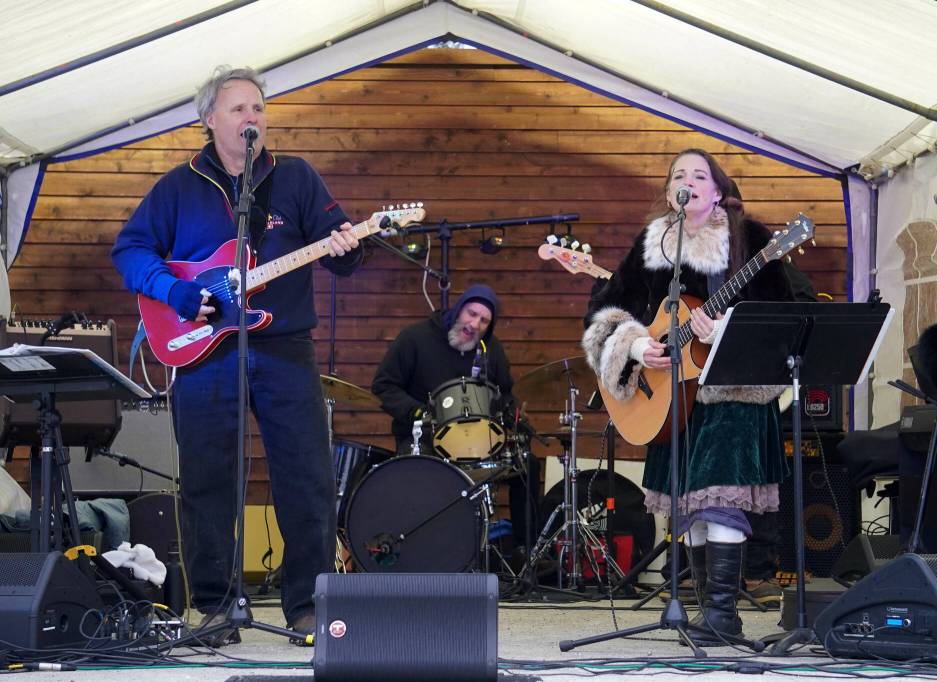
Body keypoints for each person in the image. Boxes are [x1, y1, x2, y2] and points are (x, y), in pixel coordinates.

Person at [111, 65, 363, 645]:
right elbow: (130, 249)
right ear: (210, 121)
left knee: (307, 477)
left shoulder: (296, 178)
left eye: (259, 109)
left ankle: (308, 606)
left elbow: (341, 255)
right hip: (202, 353)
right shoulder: (179, 186)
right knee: (207, 482)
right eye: (239, 109)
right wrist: (176, 292)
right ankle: (217, 607)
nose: (252, 118)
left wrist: (348, 248)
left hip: (285, 347)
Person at [582, 148, 793, 644]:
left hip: (731, 393)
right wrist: (635, 346)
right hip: (671, 397)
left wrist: (725, 327)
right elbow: (605, 308)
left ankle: (724, 617)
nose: (689, 181)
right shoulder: (652, 244)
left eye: (700, 175)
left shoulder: (752, 239)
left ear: (718, 191)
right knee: (690, 507)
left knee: (719, 500)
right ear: (670, 192)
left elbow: (783, 314)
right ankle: (705, 614)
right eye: (680, 175)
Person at [371, 284, 541, 562]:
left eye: (484, 320)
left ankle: (526, 552)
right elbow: (383, 385)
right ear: (458, 309)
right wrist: (417, 412)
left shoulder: (490, 349)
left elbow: (505, 392)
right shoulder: (416, 338)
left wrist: (512, 412)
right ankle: (419, 554)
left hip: (478, 445)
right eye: (471, 314)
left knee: (527, 465)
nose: (474, 324)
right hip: (422, 441)